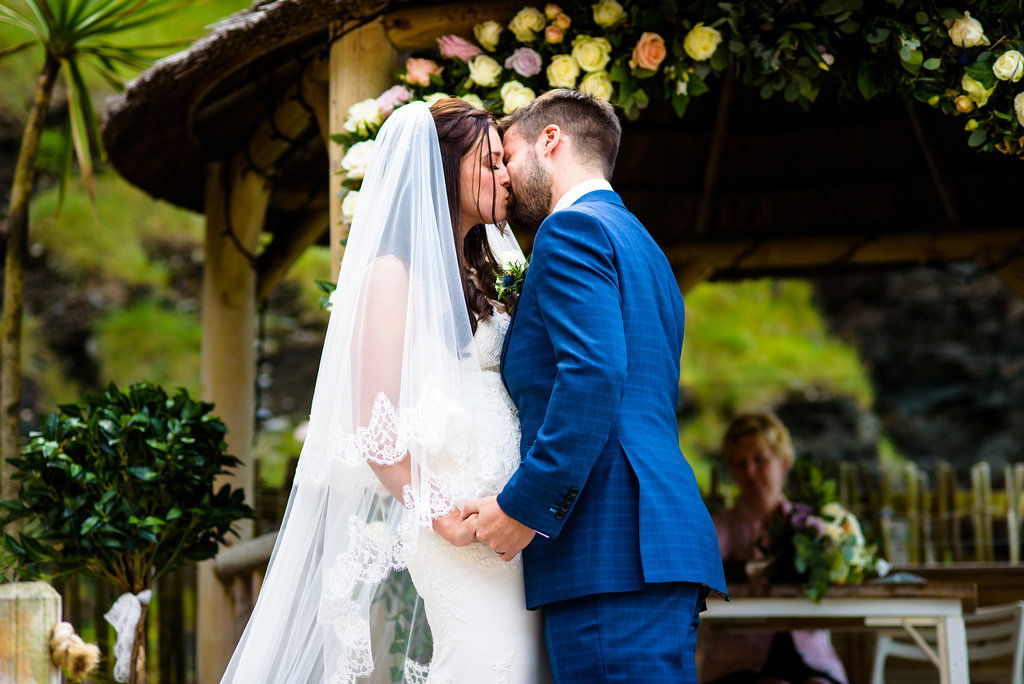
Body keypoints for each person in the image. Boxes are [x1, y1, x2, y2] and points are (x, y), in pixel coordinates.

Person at [220, 99, 550, 683]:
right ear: (448, 170)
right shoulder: (392, 274)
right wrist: (444, 518)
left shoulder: (491, 263)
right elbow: (375, 429)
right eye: (491, 162)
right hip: (462, 533)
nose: (507, 176)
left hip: (514, 520)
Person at [465, 89, 728, 683]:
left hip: (610, 547)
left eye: (508, 154)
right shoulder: (644, 245)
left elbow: (592, 376)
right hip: (651, 543)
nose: (504, 175)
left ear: (550, 140)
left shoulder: (571, 233)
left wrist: (523, 508)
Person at [700, 412, 847, 684]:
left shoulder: (812, 529)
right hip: (737, 659)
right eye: (740, 464)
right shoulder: (716, 529)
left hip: (810, 656)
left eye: (760, 460)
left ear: (785, 462)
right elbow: (698, 585)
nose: (750, 472)